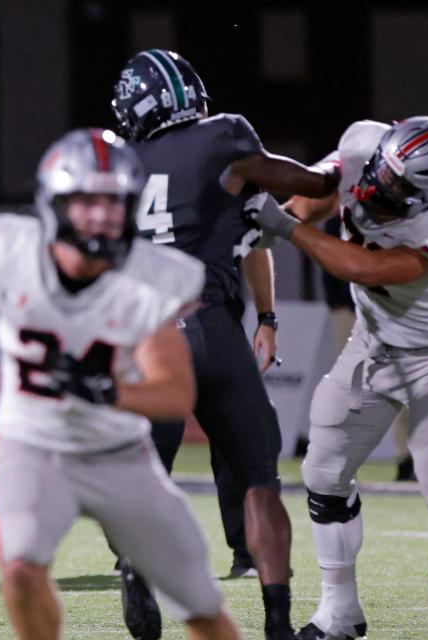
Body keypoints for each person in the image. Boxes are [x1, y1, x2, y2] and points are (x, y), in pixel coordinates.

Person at [0, 128, 242, 640]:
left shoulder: (151, 275)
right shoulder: (11, 251)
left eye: (113, 202)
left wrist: (107, 391)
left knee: (202, 606)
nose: (101, 215)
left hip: (119, 452)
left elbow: (175, 393)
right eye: (87, 201)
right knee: (22, 570)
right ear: (55, 204)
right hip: (30, 445)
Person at [109, 49, 341, 640]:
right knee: (261, 480)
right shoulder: (223, 136)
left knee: (144, 480)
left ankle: (137, 562)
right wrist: (338, 173)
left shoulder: (120, 164)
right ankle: (278, 622)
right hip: (212, 327)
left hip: (147, 339)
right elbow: (305, 186)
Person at [248, 115, 428, 639]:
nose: (380, 186)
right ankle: (339, 612)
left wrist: (282, 225)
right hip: (374, 341)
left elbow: (365, 269)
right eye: (383, 171)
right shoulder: (365, 144)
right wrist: (286, 211)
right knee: (323, 468)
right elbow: (322, 192)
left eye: (397, 187)